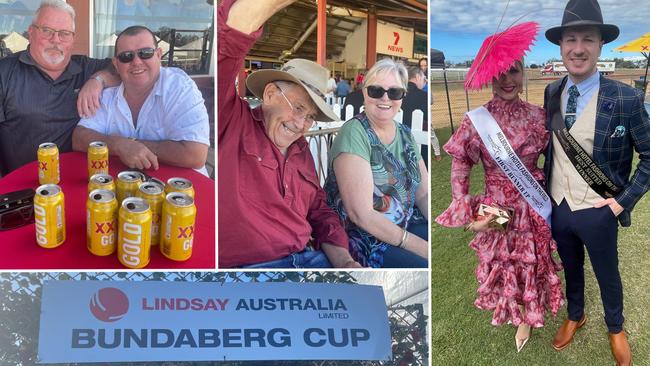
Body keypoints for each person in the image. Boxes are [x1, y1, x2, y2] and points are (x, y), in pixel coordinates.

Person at [543, 0, 650, 364]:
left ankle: (615, 327)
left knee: (607, 272)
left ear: (600, 44)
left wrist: (621, 202)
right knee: (571, 267)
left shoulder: (628, 98)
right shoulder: (551, 92)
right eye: (570, 39)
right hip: (559, 206)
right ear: (560, 46)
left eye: (587, 39)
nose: (578, 48)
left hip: (600, 209)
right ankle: (576, 315)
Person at [217, 0, 361, 269]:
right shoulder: (232, 120)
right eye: (298, 108)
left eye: (310, 117)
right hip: (253, 271)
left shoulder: (300, 148)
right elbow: (226, 49)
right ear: (270, 94)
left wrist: (344, 260)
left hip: (309, 261)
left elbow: (319, 210)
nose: (301, 123)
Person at [436, 54, 564, 350]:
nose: (507, 80)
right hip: (498, 210)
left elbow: (556, 161)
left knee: (531, 263)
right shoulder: (476, 120)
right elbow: (460, 164)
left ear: (523, 74)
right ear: (490, 77)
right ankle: (514, 311)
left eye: (514, 71)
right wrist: (464, 207)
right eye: (500, 73)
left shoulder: (538, 116)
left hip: (533, 206)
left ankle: (524, 320)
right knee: (505, 266)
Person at [325, 58, 429, 268]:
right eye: (376, 90)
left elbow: (424, 193)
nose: (385, 98)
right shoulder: (355, 132)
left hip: (407, 222)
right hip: (367, 239)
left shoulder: (405, 134)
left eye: (394, 92)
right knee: (423, 264)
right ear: (365, 92)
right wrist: (421, 247)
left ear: (402, 96)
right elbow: (361, 214)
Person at [0, 0, 117, 177]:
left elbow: (122, 69)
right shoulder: (5, 72)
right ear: (31, 33)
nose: (56, 40)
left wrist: (98, 80)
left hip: (80, 181)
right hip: (22, 185)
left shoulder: (85, 68)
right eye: (46, 31)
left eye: (64, 33)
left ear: (72, 39)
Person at [72, 25, 210, 174]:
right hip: (127, 185)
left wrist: (132, 144)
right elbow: (79, 138)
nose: (137, 62)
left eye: (145, 53)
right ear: (116, 65)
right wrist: (119, 145)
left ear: (158, 55)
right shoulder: (107, 93)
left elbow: (195, 154)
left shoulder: (180, 88)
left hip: (185, 186)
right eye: (126, 56)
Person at [402, 65, 430, 166]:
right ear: (417, 77)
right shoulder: (424, 96)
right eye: (423, 78)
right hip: (418, 145)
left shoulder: (397, 94)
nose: (424, 81)